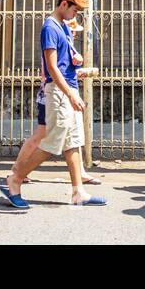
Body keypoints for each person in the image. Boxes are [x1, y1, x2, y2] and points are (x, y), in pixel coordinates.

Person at [0, 0, 106, 209]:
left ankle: (78, 192)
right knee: (51, 143)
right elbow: (51, 67)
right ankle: (15, 179)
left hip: (69, 87)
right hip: (59, 91)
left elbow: (62, 62)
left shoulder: (62, 27)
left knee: (73, 142)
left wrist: (74, 59)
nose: (75, 15)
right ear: (63, 4)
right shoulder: (50, 27)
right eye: (74, 10)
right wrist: (69, 94)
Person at [17, 14, 101, 187]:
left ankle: (80, 176)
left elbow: (65, 70)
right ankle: (17, 172)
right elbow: (50, 72)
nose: (75, 34)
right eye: (73, 31)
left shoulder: (68, 45)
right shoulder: (54, 37)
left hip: (64, 92)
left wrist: (77, 67)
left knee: (72, 138)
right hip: (51, 96)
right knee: (43, 137)